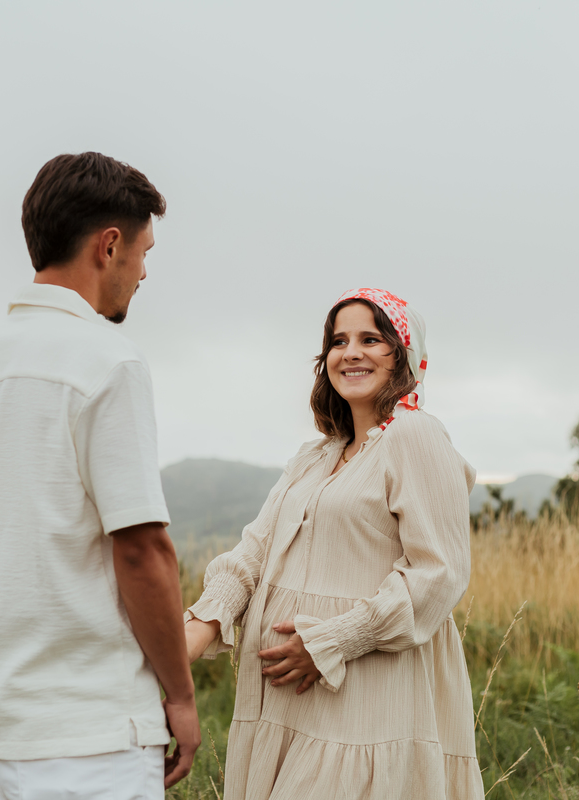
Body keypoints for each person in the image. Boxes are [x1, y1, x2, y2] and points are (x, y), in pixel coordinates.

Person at [0, 152, 199, 800]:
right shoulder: (108, 361)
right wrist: (182, 698)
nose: (143, 274)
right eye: (144, 252)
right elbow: (142, 552)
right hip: (92, 739)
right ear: (109, 246)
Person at [184, 288, 484, 800]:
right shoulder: (316, 456)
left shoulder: (416, 436)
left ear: (403, 354)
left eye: (371, 338)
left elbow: (440, 574)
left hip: (364, 695)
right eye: (338, 341)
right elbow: (253, 552)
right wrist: (188, 636)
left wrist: (330, 642)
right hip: (286, 700)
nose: (351, 352)